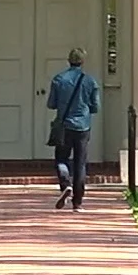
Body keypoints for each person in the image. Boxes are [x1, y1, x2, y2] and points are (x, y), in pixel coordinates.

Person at [45, 49, 102, 210]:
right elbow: (95, 107)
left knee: (61, 159)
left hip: (64, 125)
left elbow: (51, 104)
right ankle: (78, 202)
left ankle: (65, 183)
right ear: (82, 61)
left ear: (68, 60)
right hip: (83, 127)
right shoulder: (90, 81)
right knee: (80, 163)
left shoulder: (59, 79)